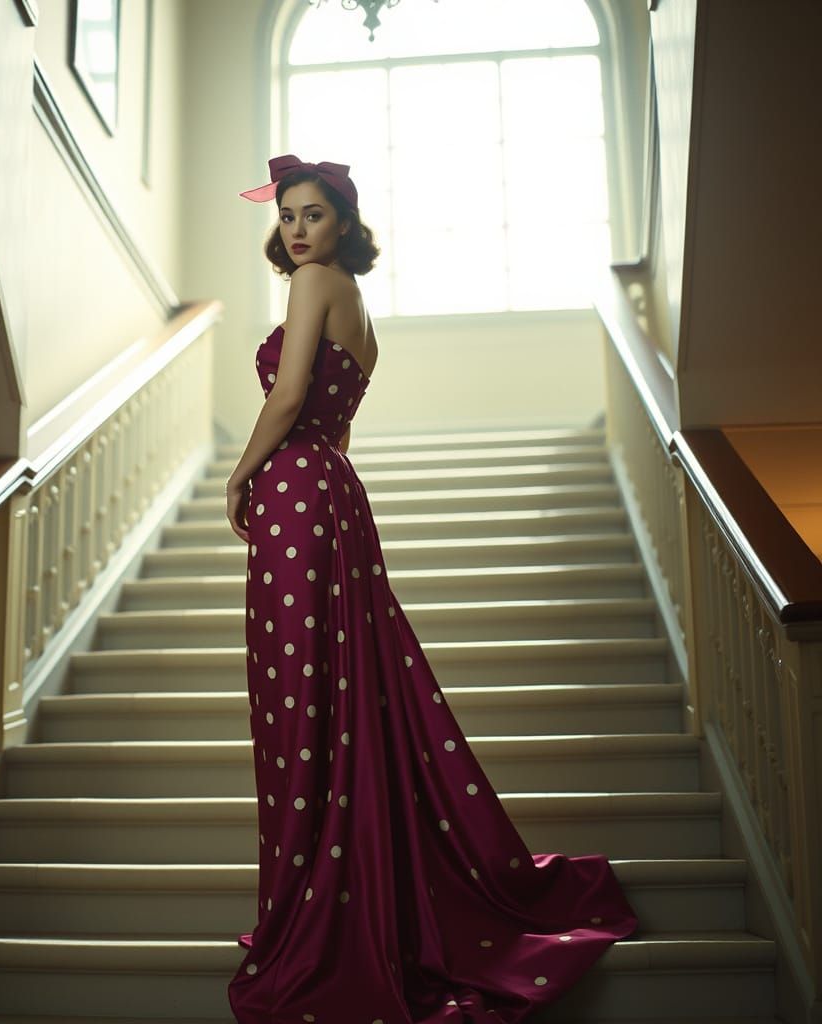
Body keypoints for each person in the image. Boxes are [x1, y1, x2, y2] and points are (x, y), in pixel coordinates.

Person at [224, 154, 638, 1024]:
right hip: (331, 489)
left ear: (344, 225)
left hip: (300, 492)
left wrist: (239, 477)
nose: (298, 229)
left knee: (301, 702)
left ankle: (314, 921)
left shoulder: (315, 288)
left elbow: (291, 392)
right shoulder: (359, 309)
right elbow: (331, 409)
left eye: (315, 214)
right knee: (333, 699)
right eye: (289, 215)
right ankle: (332, 902)